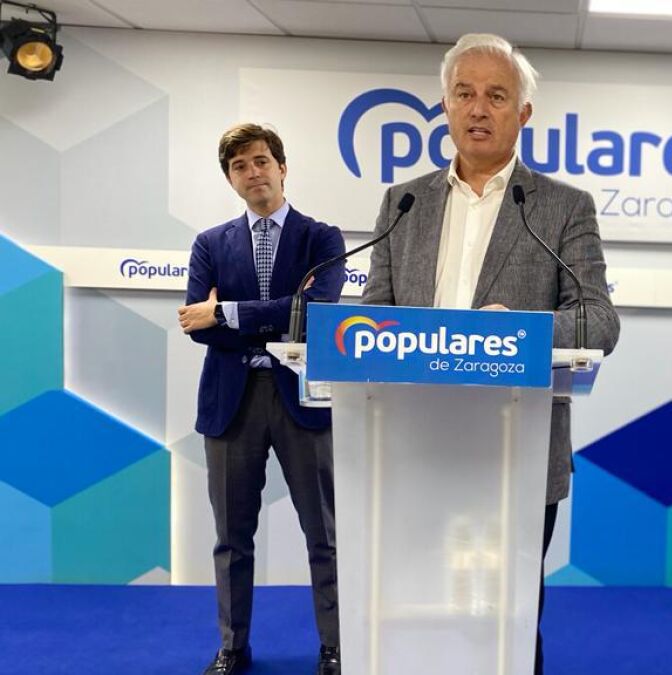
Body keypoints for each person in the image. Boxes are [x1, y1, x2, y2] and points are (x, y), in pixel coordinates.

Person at [360, 33, 619, 674]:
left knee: (507, 617)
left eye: (497, 96)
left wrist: (520, 332)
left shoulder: (562, 207)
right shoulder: (404, 201)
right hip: (411, 444)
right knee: (415, 607)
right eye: (464, 93)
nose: (478, 108)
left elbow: (599, 321)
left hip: (516, 449)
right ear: (445, 106)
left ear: (522, 113)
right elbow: (371, 320)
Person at [178, 123, 346, 675]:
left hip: (302, 400)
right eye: (239, 166)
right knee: (231, 538)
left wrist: (226, 312)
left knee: (324, 535)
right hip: (231, 404)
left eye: (261, 161)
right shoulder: (210, 244)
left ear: (282, 167)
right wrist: (274, 316)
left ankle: (335, 646)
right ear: (230, 179)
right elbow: (195, 326)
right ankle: (233, 647)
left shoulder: (322, 239)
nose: (253, 173)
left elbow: (315, 315)